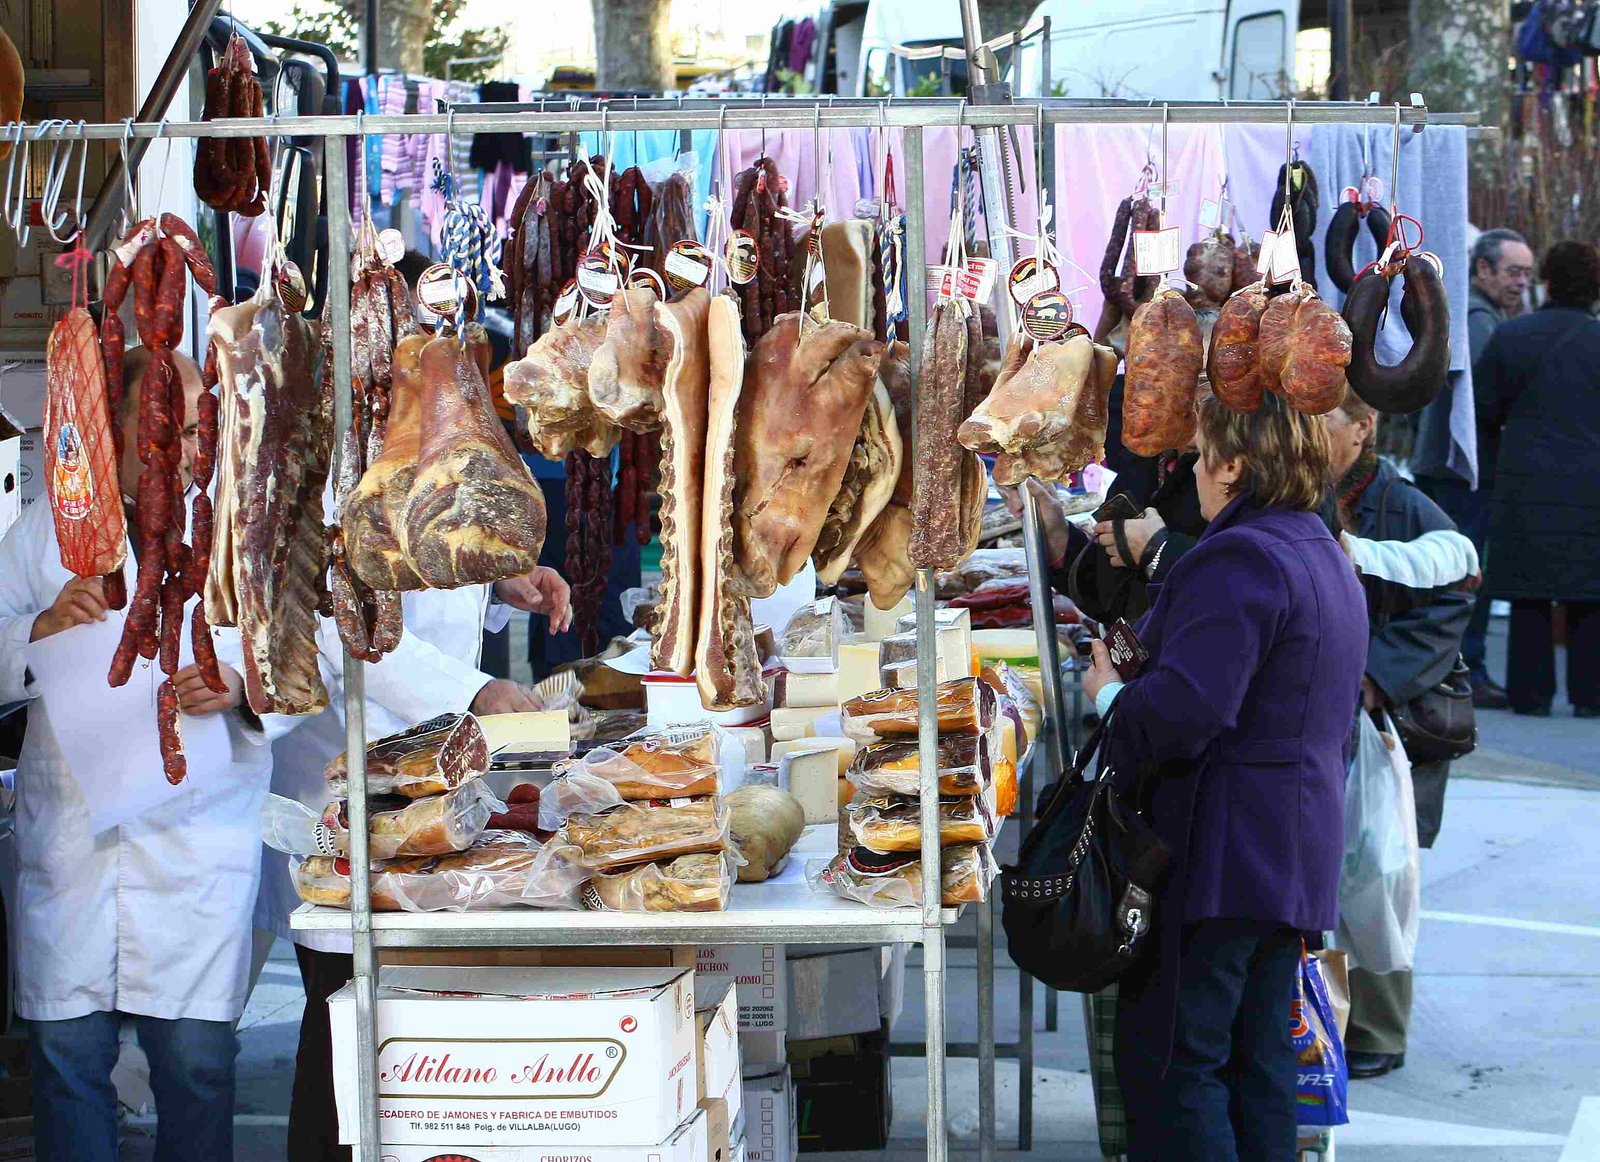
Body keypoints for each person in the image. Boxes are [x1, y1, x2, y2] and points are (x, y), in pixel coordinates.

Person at [1081, 393, 1368, 1162]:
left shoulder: (1240, 557)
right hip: (1288, 847)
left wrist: (1109, 696)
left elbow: (1187, 711)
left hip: (1224, 849)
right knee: (1257, 1063)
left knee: (1178, 1066)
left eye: (1202, 456)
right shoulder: (1317, 549)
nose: (1194, 474)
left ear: (1234, 464)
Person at [0, 348, 271, 1162]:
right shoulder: (46, 530)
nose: (182, 450)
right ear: (112, 431)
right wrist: (37, 631)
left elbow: (307, 658)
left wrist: (240, 685)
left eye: (191, 432)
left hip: (195, 839)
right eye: (162, 430)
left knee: (197, 1064)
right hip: (74, 842)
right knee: (67, 1060)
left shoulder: (235, 527)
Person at [261, 563, 571, 1162]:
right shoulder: (339, 497)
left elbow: (422, 575)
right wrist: (472, 691)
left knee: (413, 1030)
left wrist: (492, 584)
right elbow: (345, 621)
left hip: (429, 774)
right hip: (354, 768)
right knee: (343, 1023)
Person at [1325, 388, 1473, 1079]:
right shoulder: (1298, 490)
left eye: (1323, 420)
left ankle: (1377, 1032)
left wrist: (1375, 677)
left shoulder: (1407, 506)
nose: (1307, 432)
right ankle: (1324, 1022)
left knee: (1377, 872)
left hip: (1389, 726)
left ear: (1363, 428)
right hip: (1324, 720)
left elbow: (1452, 598)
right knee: (1327, 874)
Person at [1476, 240, 1600, 717]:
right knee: (1590, 594)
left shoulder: (1512, 337)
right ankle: (1591, 696)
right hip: (1591, 487)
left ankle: (1530, 695)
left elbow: (1485, 410)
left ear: (1546, 282)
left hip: (1525, 483)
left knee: (1529, 593)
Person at [1415, 227, 1533, 710]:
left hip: (1446, 463)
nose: (1521, 282)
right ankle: (1467, 668)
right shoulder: (1481, 323)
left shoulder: (1470, 314)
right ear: (1483, 269)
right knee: (1464, 573)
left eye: (1527, 274)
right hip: (1463, 469)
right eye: (1513, 272)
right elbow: (1492, 400)